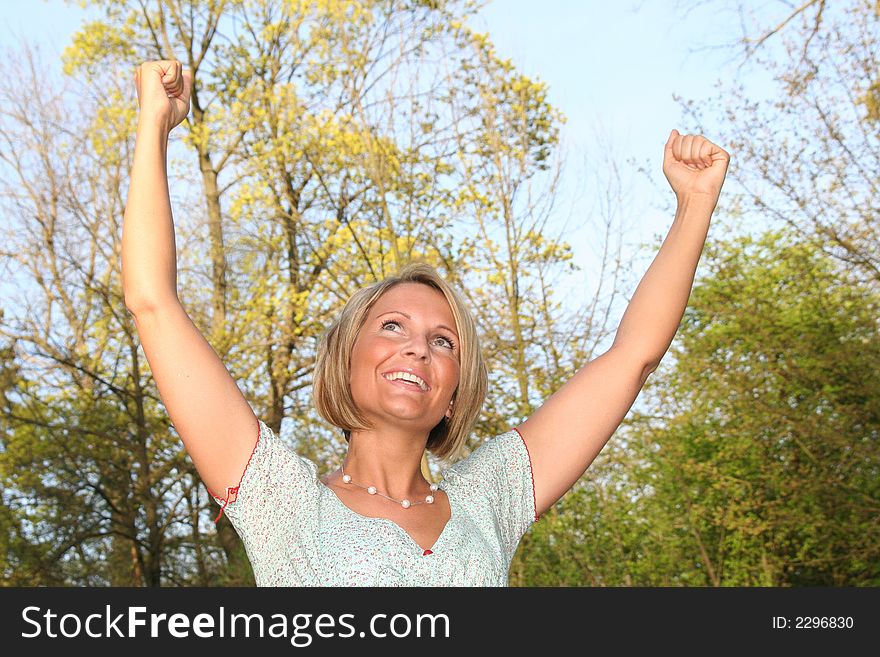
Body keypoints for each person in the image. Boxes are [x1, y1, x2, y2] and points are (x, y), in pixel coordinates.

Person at [123, 60, 730, 586]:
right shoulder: (280, 502)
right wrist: (153, 126)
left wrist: (694, 206)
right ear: (346, 356)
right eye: (392, 327)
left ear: (455, 387)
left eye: (443, 342)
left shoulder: (490, 498)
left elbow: (634, 356)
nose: (417, 349)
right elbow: (153, 303)